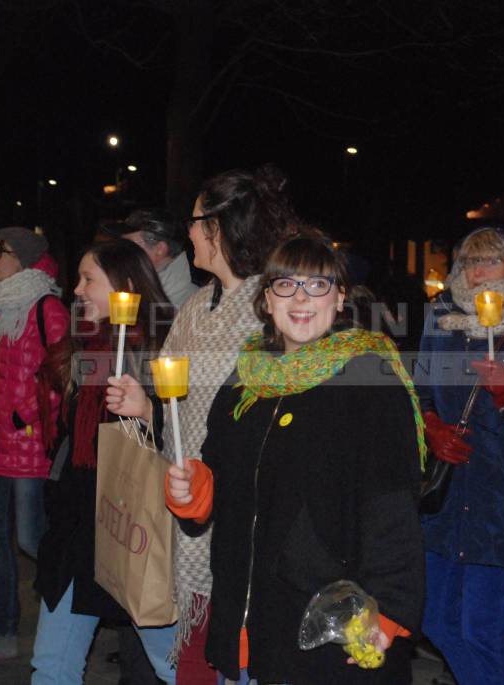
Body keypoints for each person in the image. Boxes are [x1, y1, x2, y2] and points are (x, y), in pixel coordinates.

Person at [165, 234, 426, 684]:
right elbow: (216, 475)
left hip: (327, 622)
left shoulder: (367, 379)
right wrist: (193, 494)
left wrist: (389, 610)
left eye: (318, 285)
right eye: (285, 285)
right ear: (266, 300)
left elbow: (392, 504)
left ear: (340, 297)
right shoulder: (243, 381)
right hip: (247, 617)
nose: (301, 297)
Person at [115, 164, 299, 683]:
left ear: (220, 227)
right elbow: (183, 409)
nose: (188, 231)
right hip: (185, 506)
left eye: (195, 221)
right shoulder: (197, 305)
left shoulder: (271, 308)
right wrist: (145, 409)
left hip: (241, 514)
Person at [30, 239, 174, 684]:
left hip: (133, 529)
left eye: (88, 278)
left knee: (173, 667)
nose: (76, 289)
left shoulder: (162, 349)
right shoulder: (84, 349)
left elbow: (182, 442)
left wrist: (147, 412)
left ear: (126, 288)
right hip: (77, 531)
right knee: (51, 667)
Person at [418, 225, 504, 683]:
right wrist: (431, 427)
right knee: (435, 618)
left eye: (488, 261)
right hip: (447, 497)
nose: (475, 273)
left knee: (480, 628)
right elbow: (420, 392)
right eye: (469, 262)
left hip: (502, 502)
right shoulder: (440, 318)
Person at [0, 226, 69, 664]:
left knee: (30, 537)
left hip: (25, 440)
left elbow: (61, 370)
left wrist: (23, 415)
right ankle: (4, 631)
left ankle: (62, 619)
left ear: (22, 258)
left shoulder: (48, 306)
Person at [104, 209, 199, 307]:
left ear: (159, 249)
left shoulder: (194, 305)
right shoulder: (132, 294)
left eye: (128, 245)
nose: (121, 253)